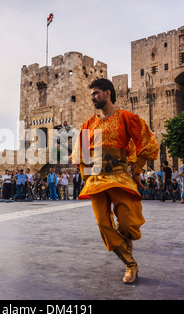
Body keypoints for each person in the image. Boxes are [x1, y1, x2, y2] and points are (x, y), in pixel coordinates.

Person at [71, 78, 158, 284]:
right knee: (103, 224)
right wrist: (87, 178)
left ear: (108, 93)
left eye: (96, 93)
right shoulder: (88, 124)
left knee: (127, 224)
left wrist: (137, 170)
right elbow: (80, 155)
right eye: (91, 94)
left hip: (119, 176)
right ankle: (130, 264)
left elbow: (147, 141)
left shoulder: (126, 118)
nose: (92, 97)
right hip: (96, 179)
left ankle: (125, 244)